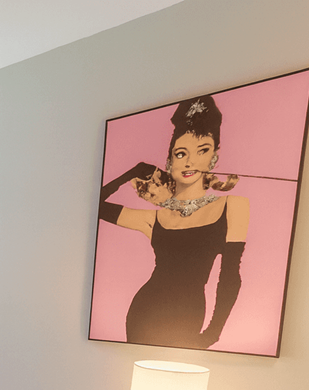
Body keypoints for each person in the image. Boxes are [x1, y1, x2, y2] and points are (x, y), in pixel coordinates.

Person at [99, 95, 248, 349]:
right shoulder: (153, 218)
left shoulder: (232, 207)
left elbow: (230, 277)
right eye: (181, 153)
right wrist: (133, 172)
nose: (190, 161)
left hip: (188, 316)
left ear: (214, 158)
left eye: (203, 151)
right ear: (170, 161)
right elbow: (96, 205)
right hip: (143, 312)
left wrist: (213, 334)